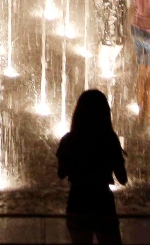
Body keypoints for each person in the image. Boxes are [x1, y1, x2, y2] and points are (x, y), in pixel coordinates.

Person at [57, 89, 128, 245]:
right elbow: (122, 179)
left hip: (78, 200)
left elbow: (61, 173)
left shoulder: (69, 140)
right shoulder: (109, 139)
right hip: (103, 202)